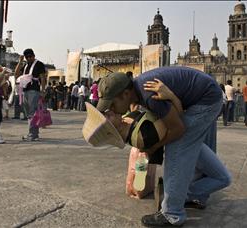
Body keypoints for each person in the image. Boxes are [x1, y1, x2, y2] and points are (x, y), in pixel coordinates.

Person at [96, 66, 231, 227]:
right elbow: (174, 115)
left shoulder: (149, 94)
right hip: (208, 96)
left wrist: (154, 147)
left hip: (206, 101)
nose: (111, 109)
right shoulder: (138, 89)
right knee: (190, 144)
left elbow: (178, 129)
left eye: (112, 104)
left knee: (177, 146)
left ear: (125, 94)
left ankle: (172, 213)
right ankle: (209, 186)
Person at [14, 48, 46, 141]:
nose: (28, 58)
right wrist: (20, 62)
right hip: (25, 90)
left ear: (33, 55)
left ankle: (32, 134)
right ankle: (33, 133)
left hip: (34, 90)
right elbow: (16, 74)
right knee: (28, 113)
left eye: (30, 56)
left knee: (32, 112)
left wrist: (43, 90)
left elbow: (42, 77)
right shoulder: (25, 65)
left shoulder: (39, 64)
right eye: (26, 57)